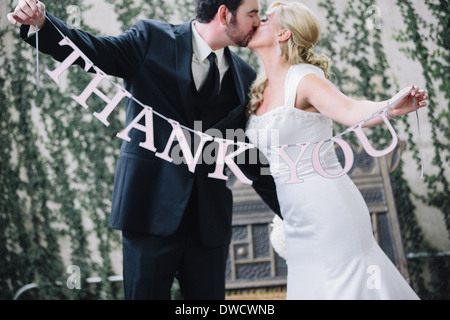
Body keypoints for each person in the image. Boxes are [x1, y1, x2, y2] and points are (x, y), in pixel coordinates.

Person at [8, 0, 281, 300]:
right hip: (148, 210)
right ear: (224, 14)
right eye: (252, 14)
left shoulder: (243, 75)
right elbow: (96, 51)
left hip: (208, 226)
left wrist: (295, 211)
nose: (258, 21)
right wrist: (42, 25)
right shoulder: (151, 38)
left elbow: (248, 156)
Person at [245, 1, 428, 300]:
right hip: (294, 214)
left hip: (327, 207)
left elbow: (350, 109)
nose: (255, 22)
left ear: (283, 34)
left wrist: (389, 108)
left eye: (264, 18)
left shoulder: (304, 78)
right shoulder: (260, 87)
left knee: (346, 287)